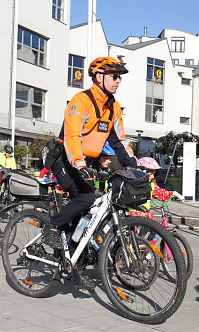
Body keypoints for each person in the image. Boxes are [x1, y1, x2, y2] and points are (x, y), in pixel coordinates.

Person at [43, 57, 137, 289]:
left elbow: (118, 141)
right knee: (85, 198)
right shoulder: (80, 101)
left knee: (90, 213)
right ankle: (52, 226)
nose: (118, 81)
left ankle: (73, 261)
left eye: (120, 77)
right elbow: (72, 137)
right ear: (98, 77)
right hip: (66, 159)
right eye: (114, 76)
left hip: (88, 163)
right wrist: (79, 164)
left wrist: (133, 163)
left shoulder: (112, 107)